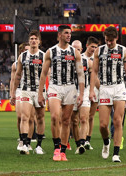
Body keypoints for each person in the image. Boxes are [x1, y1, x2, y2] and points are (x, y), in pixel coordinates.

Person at [38, 25, 84, 162]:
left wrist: (81, 93)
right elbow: (44, 74)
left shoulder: (75, 52)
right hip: (54, 87)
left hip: (70, 88)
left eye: (70, 33)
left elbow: (80, 74)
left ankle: (62, 151)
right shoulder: (51, 52)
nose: (69, 35)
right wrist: (41, 93)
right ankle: (56, 148)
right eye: (66, 33)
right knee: (54, 117)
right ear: (59, 35)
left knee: (66, 120)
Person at [90, 26, 126, 163]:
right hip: (104, 88)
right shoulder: (99, 51)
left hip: (119, 87)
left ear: (116, 38)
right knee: (103, 125)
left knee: (117, 121)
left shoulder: (123, 51)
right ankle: (106, 143)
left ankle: (116, 154)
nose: (108, 43)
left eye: (111, 40)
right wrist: (92, 90)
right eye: (106, 40)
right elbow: (94, 71)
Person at [11, 31, 46, 155]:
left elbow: (48, 74)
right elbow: (18, 75)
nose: (33, 41)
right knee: (25, 117)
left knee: (40, 118)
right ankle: (25, 144)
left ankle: (39, 146)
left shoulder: (44, 56)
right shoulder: (22, 56)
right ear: (29, 40)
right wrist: (14, 92)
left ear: (39, 41)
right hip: (26, 90)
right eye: (31, 38)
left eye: (35, 39)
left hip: (40, 91)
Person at [70, 40, 90, 154]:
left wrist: (92, 91)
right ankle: (78, 143)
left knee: (83, 119)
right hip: (71, 91)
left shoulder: (87, 62)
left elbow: (93, 76)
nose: (76, 51)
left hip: (84, 91)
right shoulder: (67, 62)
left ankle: (82, 143)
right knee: (74, 120)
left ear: (81, 50)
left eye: (78, 49)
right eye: (74, 49)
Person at [11, 42, 31, 150]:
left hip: (31, 90)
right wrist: (12, 94)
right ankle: (22, 140)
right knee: (20, 116)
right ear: (21, 51)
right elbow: (13, 80)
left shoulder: (35, 61)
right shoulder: (15, 64)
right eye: (25, 50)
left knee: (30, 118)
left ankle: (28, 141)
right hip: (19, 90)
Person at [83, 37, 100, 150]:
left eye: (95, 47)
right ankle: (80, 138)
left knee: (91, 116)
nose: (93, 49)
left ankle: (87, 140)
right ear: (87, 46)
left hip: (96, 89)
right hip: (83, 89)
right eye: (92, 46)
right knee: (82, 116)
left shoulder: (98, 58)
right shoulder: (80, 57)